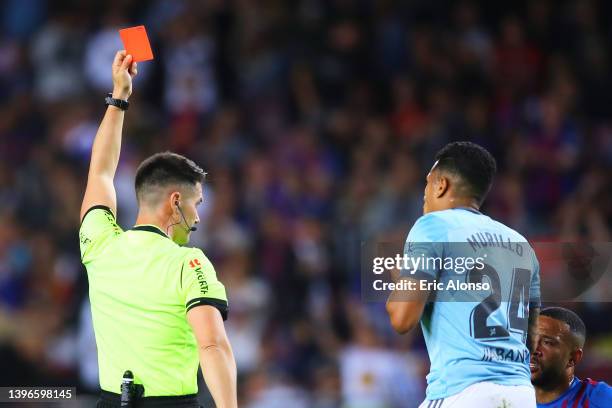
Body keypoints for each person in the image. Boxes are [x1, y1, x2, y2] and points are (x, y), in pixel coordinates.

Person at [79, 50, 237, 407]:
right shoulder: (189, 264)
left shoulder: (99, 243)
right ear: (176, 201)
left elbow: (100, 172)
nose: (197, 218)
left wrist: (119, 97)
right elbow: (211, 344)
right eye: (197, 204)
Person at [386, 141, 541, 407]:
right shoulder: (521, 244)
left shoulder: (432, 226)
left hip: (462, 391)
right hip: (521, 394)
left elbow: (402, 319)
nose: (424, 192)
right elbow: (531, 338)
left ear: (441, 184)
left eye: (427, 182)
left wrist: (400, 281)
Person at [531, 307, 612, 407]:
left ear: (573, 358)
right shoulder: (510, 395)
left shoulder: (599, 398)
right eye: (531, 340)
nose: (533, 350)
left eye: (547, 342)